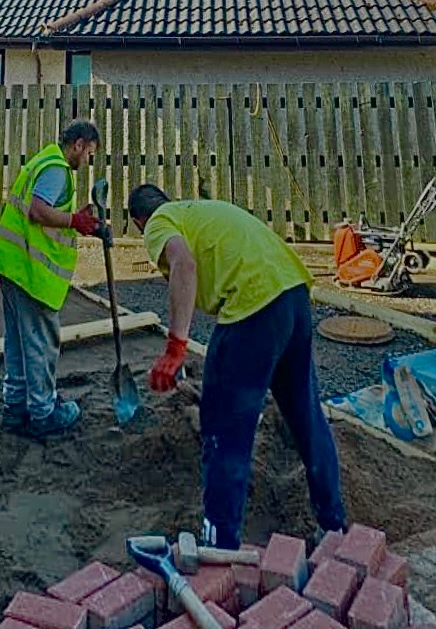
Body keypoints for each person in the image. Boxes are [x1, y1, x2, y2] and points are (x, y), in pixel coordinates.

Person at [128, 184, 346, 549]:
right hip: (294, 296)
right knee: (307, 418)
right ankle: (333, 527)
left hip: (253, 308)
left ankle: (220, 548)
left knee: (224, 433)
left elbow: (184, 263)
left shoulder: (159, 222)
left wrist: (176, 345)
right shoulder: (202, 210)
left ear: (138, 221)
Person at [0, 120, 103, 437]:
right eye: (89, 153)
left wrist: (73, 216)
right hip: (30, 271)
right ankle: (42, 411)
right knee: (40, 342)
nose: (87, 161)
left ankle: (15, 407)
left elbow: (43, 210)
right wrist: (74, 220)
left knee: (18, 341)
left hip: (12, 264)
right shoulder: (56, 169)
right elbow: (38, 211)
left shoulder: (44, 159)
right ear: (78, 145)